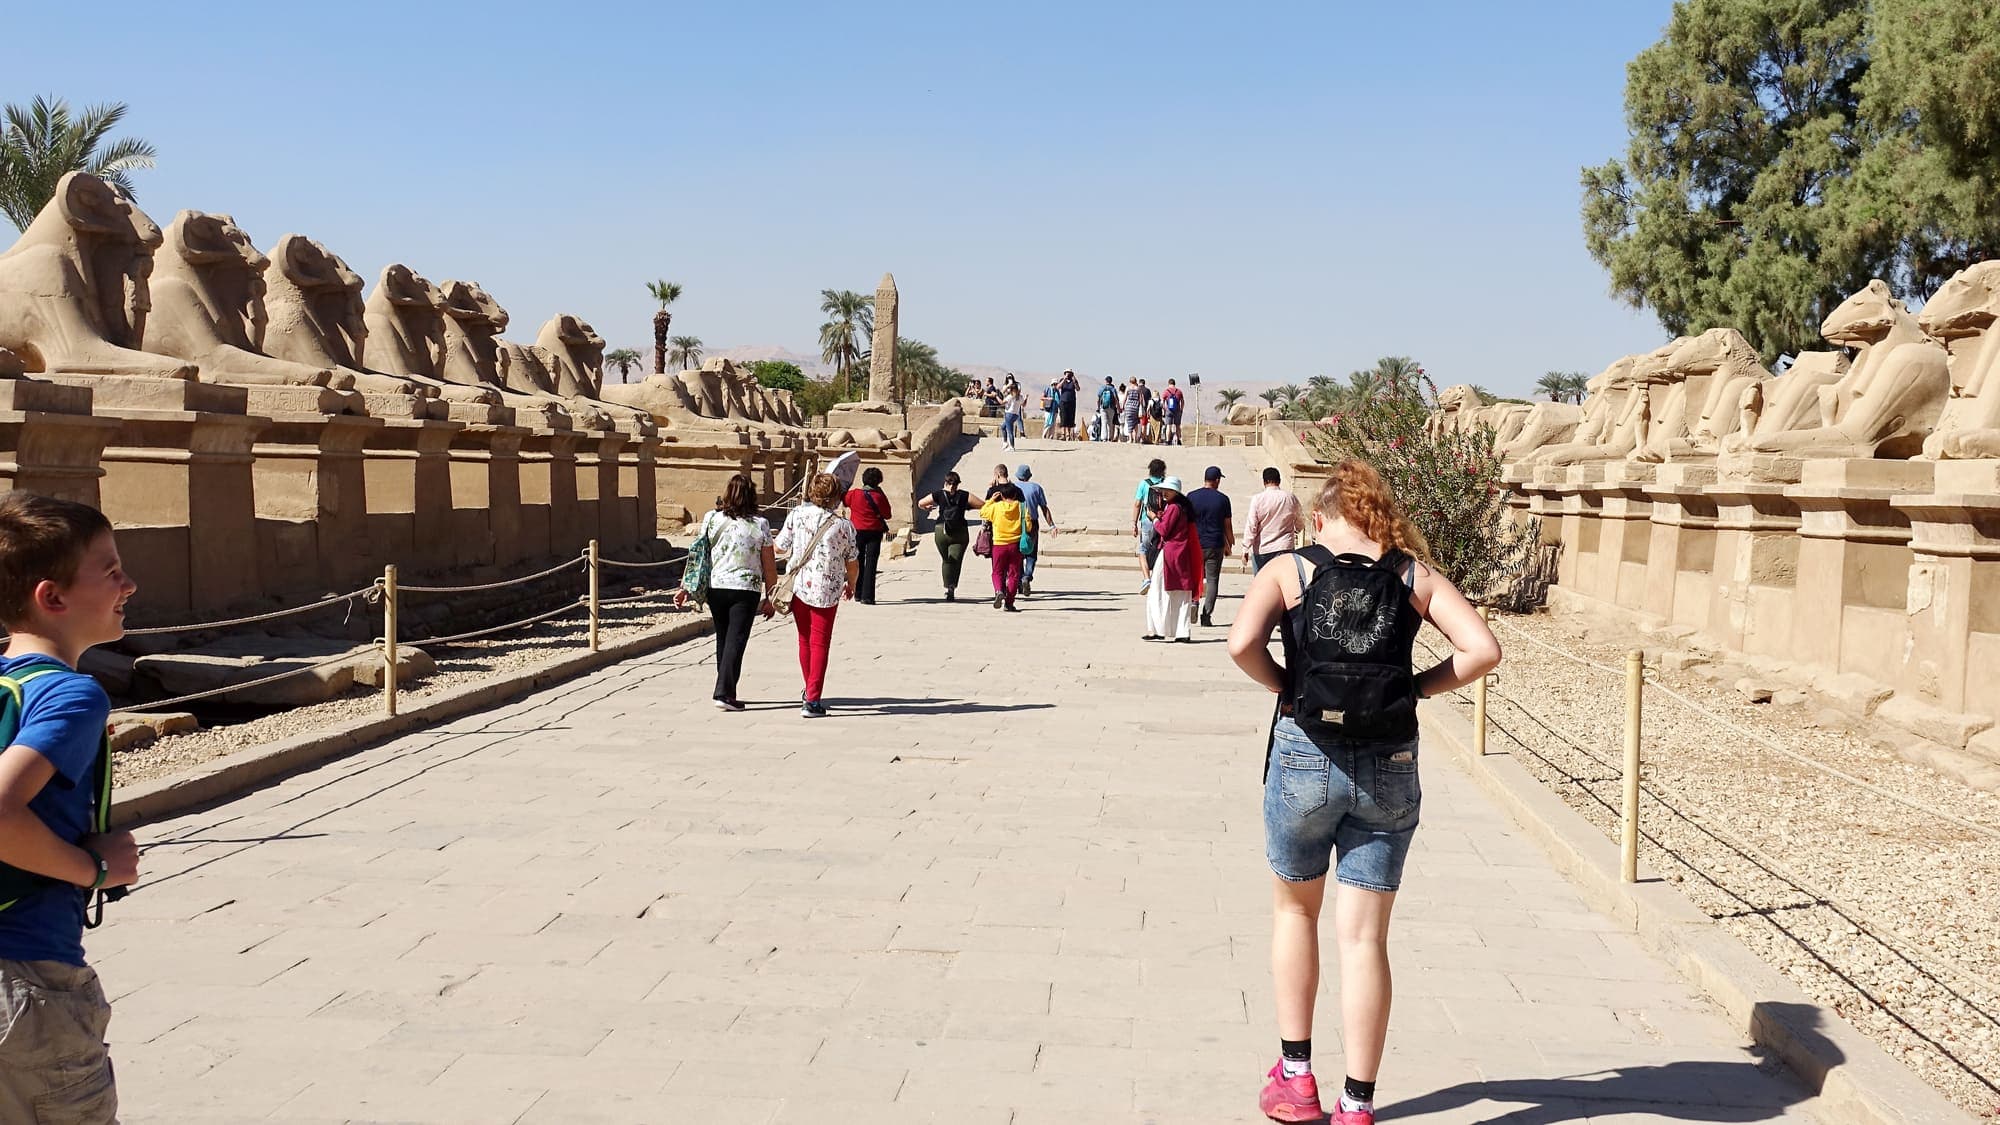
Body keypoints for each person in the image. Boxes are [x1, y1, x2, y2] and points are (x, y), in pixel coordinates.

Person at [1225, 460, 1501, 1125]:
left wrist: (1284, 686)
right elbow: (1482, 649)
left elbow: (1240, 644)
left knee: (1295, 913)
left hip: (1304, 753)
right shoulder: (1411, 574)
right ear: (1380, 514)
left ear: (1320, 518)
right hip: (1390, 759)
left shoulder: (1290, 570)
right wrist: (1417, 688)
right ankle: (1357, 1102)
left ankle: (1295, 1077)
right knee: (1364, 938)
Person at [0, 491, 143, 1123]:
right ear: (51, 597)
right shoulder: (71, 696)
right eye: (109, 570)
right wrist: (97, 870)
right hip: (28, 973)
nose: (128, 584)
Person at [675, 474, 775, 709]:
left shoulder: (711, 518)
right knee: (736, 640)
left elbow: (697, 556)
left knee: (724, 638)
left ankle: (726, 688)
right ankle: (724, 692)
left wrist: (685, 587)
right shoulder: (760, 525)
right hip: (745, 589)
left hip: (716, 586)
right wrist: (772, 596)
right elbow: (769, 565)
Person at [773, 473, 859, 717]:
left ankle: (809, 689)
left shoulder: (797, 515)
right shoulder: (843, 525)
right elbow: (852, 561)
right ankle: (812, 699)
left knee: (804, 639)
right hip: (826, 588)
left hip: (798, 586)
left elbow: (780, 547)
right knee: (820, 641)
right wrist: (851, 583)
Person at [1143, 476, 1202, 641]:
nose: (1163, 494)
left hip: (1170, 553)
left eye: (1166, 491)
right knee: (1180, 592)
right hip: (1179, 552)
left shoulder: (1175, 508)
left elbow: (1164, 530)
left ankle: (1159, 629)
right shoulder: (1179, 507)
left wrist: (1154, 518)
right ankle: (1181, 631)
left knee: (1158, 590)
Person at [1187, 465, 1235, 627]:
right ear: (1217, 480)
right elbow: (1227, 524)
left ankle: (1194, 602)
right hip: (1215, 544)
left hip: (1195, 543)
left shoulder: (1191, 497)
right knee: (1213, 580)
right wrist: (1230, 541)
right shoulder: (1223, 499)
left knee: (1195, 577)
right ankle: (1206, 616)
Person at [916, 471, 973, 601]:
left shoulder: (938, 494)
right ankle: (951, 587)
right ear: (958, 484)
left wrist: (927, 508)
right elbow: (982, 505)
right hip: (960, 530)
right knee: (956, 559)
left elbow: (920, 503)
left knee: (946, 559)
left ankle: (947, 585)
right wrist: (966, 507)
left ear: (945, 482)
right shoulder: (964, 495)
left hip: (941, 529)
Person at [844, 466, 892, 605]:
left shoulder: (854, 494)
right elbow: (887, 515)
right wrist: (881, 493)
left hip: (857, 531)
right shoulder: (879, 496)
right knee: (871, 563)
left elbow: (845, 501)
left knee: (858, 562)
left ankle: (857, 593)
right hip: (874, 532)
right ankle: (868, 596)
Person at [1245, 466, 1306, 573]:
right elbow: (1300, 520)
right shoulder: (1290, 497)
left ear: (1264, 482)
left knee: (1262, 584)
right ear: (1279, 481)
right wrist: (1297, 529)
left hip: (1263, 549)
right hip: (1284, 547)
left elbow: (1252, 525)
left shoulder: (1258, 499)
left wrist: (1246, 547)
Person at [979, 482, 1026, 612]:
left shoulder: (996, 507)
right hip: (1015, 545)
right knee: (1014, 574)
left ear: (1002, 496)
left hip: (999, 544)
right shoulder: (1022, 507)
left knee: (997, 571)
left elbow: (983, 513)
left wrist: (991, 501)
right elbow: (1028, 526)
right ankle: (1009, 603)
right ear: (1015, 494)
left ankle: (999, 590)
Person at [1012, 464, 1056, 597]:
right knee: (1031, 553)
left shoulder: (1012, 487)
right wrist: (1052, 525)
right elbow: (1044, 508)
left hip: (1015, 523)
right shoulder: (1036, 488)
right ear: (1029, 476)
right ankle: (1027, 576)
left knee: (1018, 552)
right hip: (1032, 523)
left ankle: (1019, 579)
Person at [1131, 457, 1166, 591]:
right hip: (1163, 519)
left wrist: (1134, 523)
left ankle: (1147, 579)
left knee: (1143, 549)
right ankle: (1159, 579)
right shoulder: (1166, 484)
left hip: (1147, 520)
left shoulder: (1144, 484)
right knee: (1160, 548)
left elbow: (1137, 504)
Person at [1001, 379, 1025, 450]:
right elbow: (1023, 404)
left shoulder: (1010, 397)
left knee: (1010, 431)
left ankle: (1012, 446)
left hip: (1009, 414)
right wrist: (1026, 398)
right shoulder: (1020, 397)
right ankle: (1005, 442)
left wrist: (996, 397)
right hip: (1016, 415)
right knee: (1003, 427)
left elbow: (1002, 402)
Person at [1162, 378, 1186, 445]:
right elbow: (1182, 401)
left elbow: (1163, 402)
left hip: (1169, 410)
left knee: (1168, 426)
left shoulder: (1166, 391)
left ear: (1169, 383)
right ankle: (1178, 440)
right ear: (1174, 383)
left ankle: (1168, 441)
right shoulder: (1179, 391)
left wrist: (1165, 409)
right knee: (1177, 426)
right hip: (1177, 410)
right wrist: (1181, 409)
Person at [1097, 376, 1120, 444]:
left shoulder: (1102, 388)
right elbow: (1116, 399)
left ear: (1106, 381)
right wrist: (1118, 408)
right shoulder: (1113, 389)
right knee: (1110, 423)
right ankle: (1110, 437)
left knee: (1104, 422)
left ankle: (1104, 437)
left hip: (1103, 407)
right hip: (1111, 407)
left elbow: (1098, 398)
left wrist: (1098, 407)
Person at [1058, 371, 1080, 441]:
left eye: (1070, 373)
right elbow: (1058, 387)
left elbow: (1078, 389)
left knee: (1070, 418)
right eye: (1067, 373)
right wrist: (1064, 379)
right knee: (1063, 417)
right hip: (1063, 401)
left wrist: (1074, 381)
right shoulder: (1062, 380)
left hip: (1072, 402)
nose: (1068, 375)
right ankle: (1063, 434)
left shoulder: (1074, 381)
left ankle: (1068, 435)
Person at [1122, 378, 1145, 443]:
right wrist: (1141, 406)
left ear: (1130, 381)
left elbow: (1125, 398)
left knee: (1129, 423)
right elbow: (1140, 399)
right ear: (1136, 381)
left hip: (1129, 407)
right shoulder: (1138, 389)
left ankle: (1130, 438)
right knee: (1136, 423)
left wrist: (1123, 406)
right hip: (1136, 407)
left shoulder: (1128, 388)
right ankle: (1135, 439)